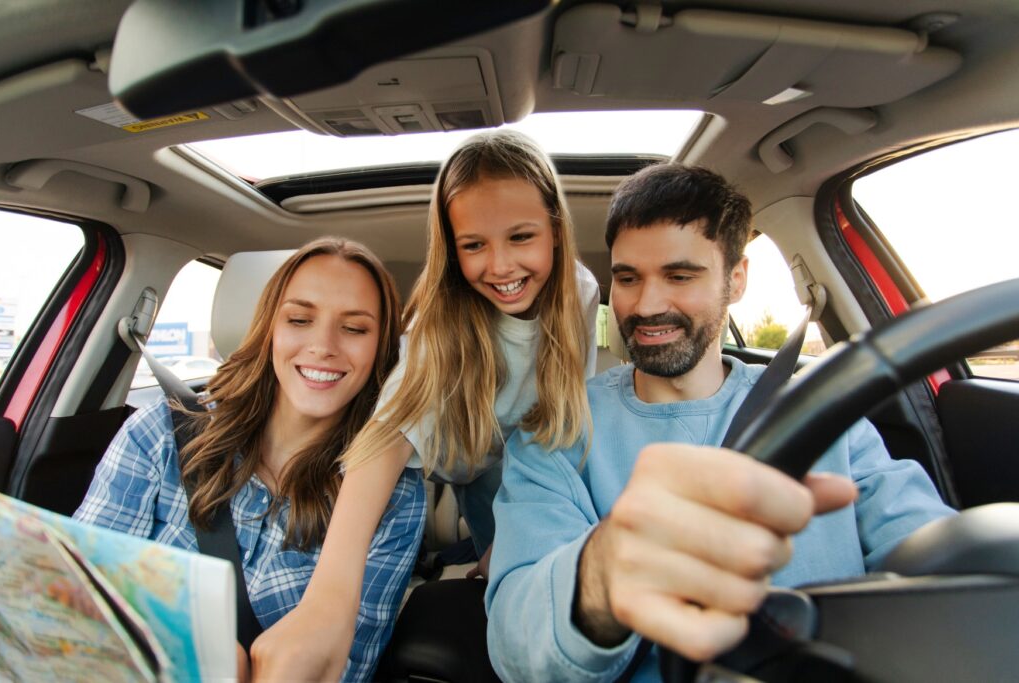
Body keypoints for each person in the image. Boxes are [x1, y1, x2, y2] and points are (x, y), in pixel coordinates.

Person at [485, 163, 956, 682]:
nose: (647, 305)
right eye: (627, 278)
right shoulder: (554, 432)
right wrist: (601, 571)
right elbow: (516, 643)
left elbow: (934, 554)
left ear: (736, 280)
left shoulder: (821, 412)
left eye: (680, 276)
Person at [249, 129, 601, 680]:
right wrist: (329, 600)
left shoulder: (580, 291)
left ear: (556, 229)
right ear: (451, 247)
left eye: (521, 236)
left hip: (535, 471)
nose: (501, 266)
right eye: (474, 245)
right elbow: (383, 442)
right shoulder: (435, 328)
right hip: (471, 473)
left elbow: (567, 414)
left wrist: (526, 533)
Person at [74, 237, 425, 682]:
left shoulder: (394, 498)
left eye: (355, 329)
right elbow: (78, 607)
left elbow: (346, 668)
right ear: (270, 328)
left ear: (381, 349)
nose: (323, 346)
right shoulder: (159, 435)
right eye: (299, 319)